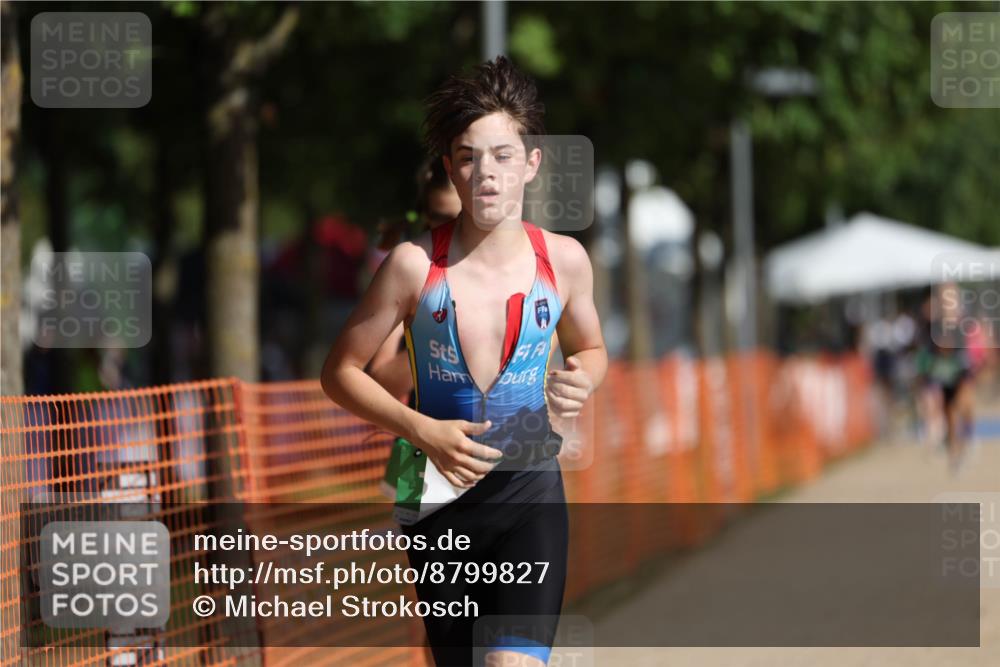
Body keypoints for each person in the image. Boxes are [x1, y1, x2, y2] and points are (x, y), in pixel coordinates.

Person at [321, 55, 607, 666]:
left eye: (503, 156)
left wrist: (584, 380)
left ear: (531, 164)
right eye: (469, 157)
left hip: (531, 495)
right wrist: (422, 431)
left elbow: (592, 349)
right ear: (451, 167)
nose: (487, 174)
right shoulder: (412, 267)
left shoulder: (565, 262)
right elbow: (340, 372)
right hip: (437, 506)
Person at [366, 157, 463, 402]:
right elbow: (378, 382)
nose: (454, 230)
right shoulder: (412, 272)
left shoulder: (520, 270)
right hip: (425, 435)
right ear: (427, 217)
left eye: (463, 217)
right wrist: (443, 346)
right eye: (443, 219)